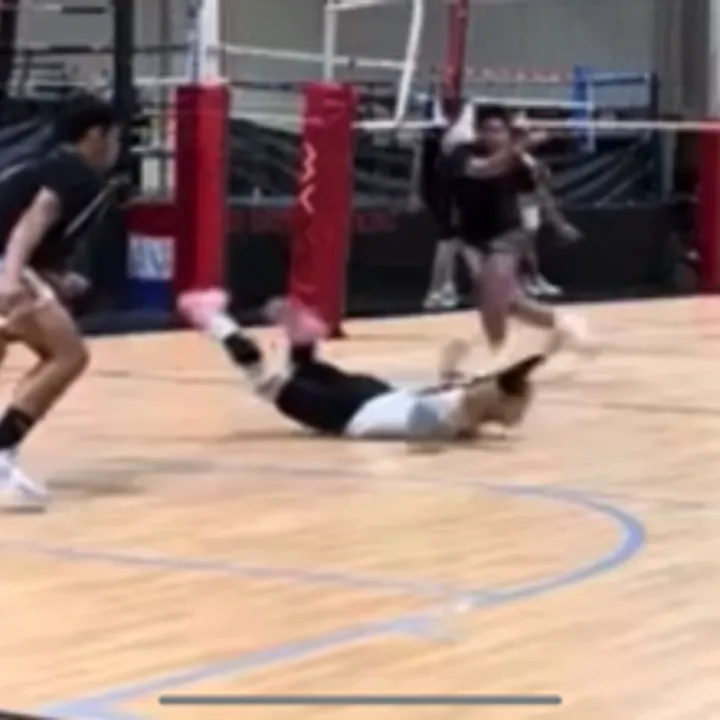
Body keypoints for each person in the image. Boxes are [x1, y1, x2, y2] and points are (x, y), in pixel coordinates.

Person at [178, 290, 551, 444]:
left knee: (302, 372)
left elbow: (471, 394)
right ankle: (212, 318)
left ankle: (302, 340)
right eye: (520, 405)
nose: (522, 415)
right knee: (265, 380)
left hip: (375, 394)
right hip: (355, 412)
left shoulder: (461, 409)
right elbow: (456, 410)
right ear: (501, 401)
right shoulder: (461, 416)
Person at [0, 94, 119, 508]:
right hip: (6, 262)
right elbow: (32, 221)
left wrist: (56, 279)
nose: (115, 148)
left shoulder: (48, 165)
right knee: (68, 355)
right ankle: (3, 450)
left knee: (32, 345)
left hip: (15, 264)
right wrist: (11, 279)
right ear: (95, 135)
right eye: (114, 137)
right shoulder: (75, 171)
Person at [444, 104, 591, 354]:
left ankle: (498, 353)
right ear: (478, 132)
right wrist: (519, 146)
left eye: (499, 131)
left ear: (507, 133)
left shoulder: (520, 162)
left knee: (492, 296)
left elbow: (537, 194)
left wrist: (558, 223)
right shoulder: (461, 154)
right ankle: (563, 322)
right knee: (506, 300)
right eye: (487, 130)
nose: (493, 136)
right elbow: (483, 169)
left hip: (506, 235)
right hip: (471, 237)